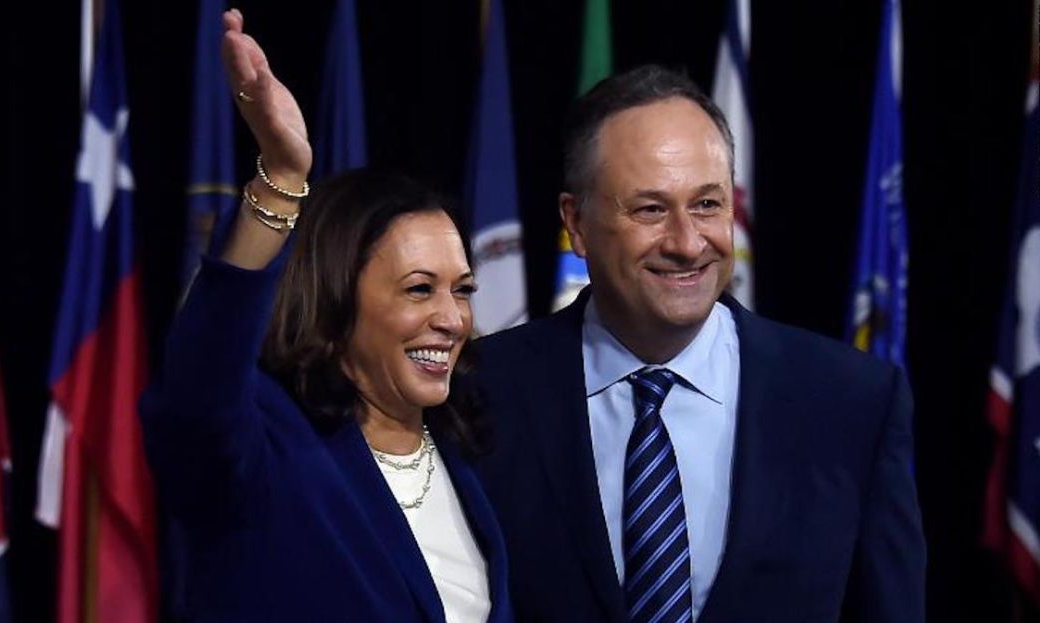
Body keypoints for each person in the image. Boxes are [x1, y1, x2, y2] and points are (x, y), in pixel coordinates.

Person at [473, 65, 926, 622]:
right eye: (650, 209)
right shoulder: (479, 392)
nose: (688, 244)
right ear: (577, 223)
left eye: (708, 205)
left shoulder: (852, 400)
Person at [139, 10, 511, 622]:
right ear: (337, 300)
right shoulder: (268, 452)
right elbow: (193, 398)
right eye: (420, 290)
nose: (452, 318)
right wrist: (281, 180)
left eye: (462, 289)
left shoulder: (466, 452)